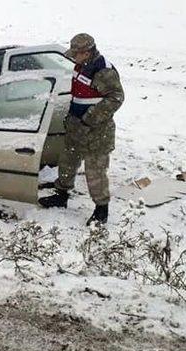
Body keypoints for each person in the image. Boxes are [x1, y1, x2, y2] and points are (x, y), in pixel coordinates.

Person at [39, 33, 124, 225]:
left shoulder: (103, 71)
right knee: (67, 162)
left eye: (76, 53)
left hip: (97, 132)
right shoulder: (81, 65)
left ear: (86, 53)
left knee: (95, 171)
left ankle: (101, 210)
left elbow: (116, 98)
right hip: (76, 127)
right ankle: (61, 196)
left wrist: (90, 118)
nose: (72, 57)